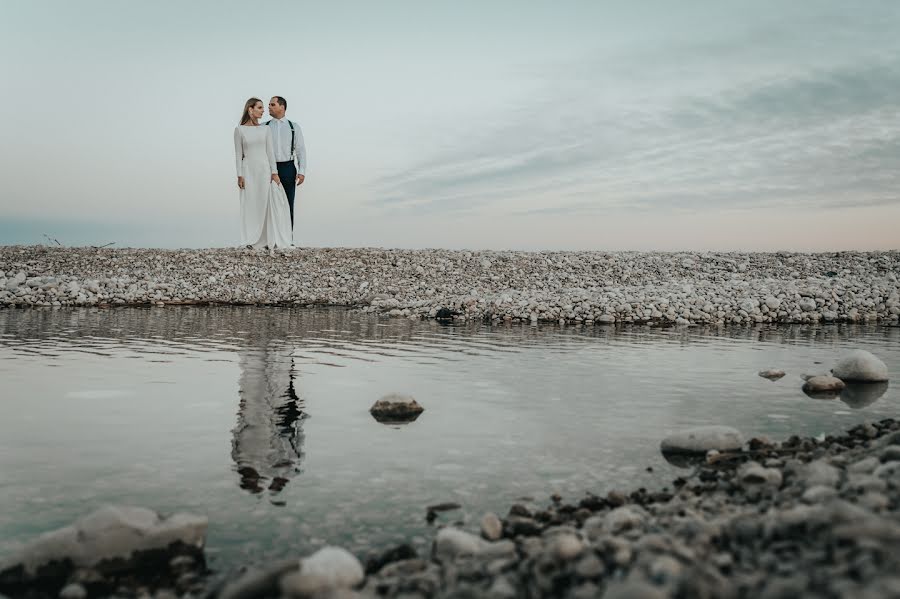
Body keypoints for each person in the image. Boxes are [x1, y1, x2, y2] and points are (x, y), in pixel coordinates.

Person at [233, 97, 292, 252]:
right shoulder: (239, 130)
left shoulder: (265, 129)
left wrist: (274, 172)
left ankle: (266, 239)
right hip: (248, 171)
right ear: (250, 109)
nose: (263, 110)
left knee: (265, 202)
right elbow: (238, 155)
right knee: (251, 203)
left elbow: (270, 153)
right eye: (259, 107)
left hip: (264, 170)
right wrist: (239, 175)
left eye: (263, 108)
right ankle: (251, 239)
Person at [266, 96, 307, 239]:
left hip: (288, 167)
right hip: (268, 168)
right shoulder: (264, 127)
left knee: (288, 202)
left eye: (272, 104)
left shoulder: (293, 127)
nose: (269, 107)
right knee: (269, 204)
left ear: (282, 107)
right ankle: (270, 238)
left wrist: (302, 172)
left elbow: (301, 150)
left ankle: (288, 238)